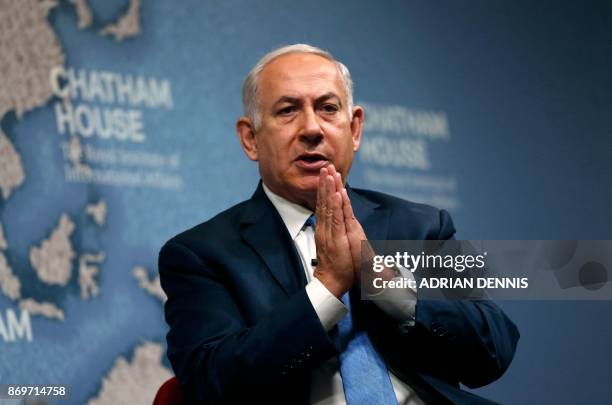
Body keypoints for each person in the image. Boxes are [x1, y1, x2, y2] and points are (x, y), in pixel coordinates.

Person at [159, 44, 519, 404]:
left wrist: (387, 285)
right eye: (288, 111)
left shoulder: (422, 226)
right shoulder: (202, 254)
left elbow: (494, 348)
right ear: (250, 138)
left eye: (328, 109)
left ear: (355, 128)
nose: (312, 128)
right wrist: (327, 289)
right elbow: (212, 383)